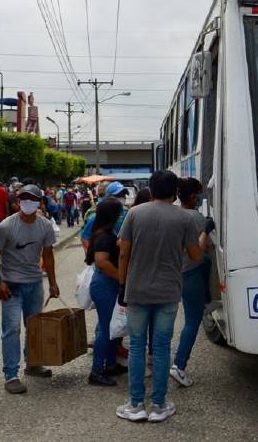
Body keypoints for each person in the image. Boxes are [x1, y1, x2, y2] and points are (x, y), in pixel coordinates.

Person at [115, 170, 203, 423]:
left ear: (151, 190)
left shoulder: (134, 214)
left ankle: (135, 405)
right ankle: (159, 404)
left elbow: (123, 253)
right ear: (175, 192)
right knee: (162, 348)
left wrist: (122, 285)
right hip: (168, 291)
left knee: (137, 347)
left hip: (137, 290)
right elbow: (195, 256)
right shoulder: (184, 218)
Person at [0, 184, 59, 394]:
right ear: (18, 202)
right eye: (24, 198)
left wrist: (53, 283)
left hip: (34, 283)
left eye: (32, 199)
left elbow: (47, 255)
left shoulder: (45, 226)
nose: (27, 202)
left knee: (34, 326)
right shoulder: (6, 226)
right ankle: (11, 374)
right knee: (12, 329)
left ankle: (33, 363)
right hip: (11, 285)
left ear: (39, 202)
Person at [170, 178, 211, 388]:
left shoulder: (172, 214)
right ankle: (179, 364)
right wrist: (207, 230)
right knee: (192, 321)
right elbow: (201, 250)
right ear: (194, 196)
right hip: (192, 273)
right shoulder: (195, 217)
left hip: (173, 273)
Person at [87, 197, 128, 387]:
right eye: (120, 212)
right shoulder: (105, 236)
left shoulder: (105, 232)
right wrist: (121, 277)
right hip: (105, 285)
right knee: (105, 329)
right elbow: (102, 262)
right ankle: (96, 371)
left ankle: (111, 364)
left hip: (107, 285)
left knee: (111, 328)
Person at [81, 182, 129, 253]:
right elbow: (85, 238)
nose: (122, 198)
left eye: (124, 195)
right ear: (108, 197)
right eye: (118, 195)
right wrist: (93, 255)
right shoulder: (98, 214)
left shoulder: (127, 213)